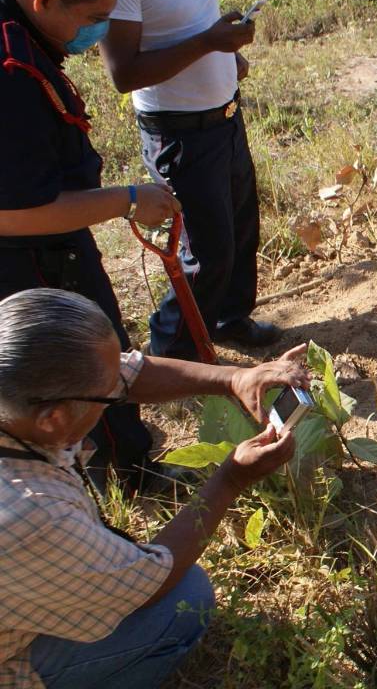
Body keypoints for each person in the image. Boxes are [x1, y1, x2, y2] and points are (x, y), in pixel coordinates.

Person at [0, 288, 305, 689]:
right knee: (184, 601)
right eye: (108, 396)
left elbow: (127, 373)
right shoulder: (32, 511)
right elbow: (149, 584)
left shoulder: (20, 391)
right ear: (53, 420)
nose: (118, 391)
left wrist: (236, 378)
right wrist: (231, 478)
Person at [0, 0, 182, 490]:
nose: (99, 34)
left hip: (48, 248)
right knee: (82, 365)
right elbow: (16, 211)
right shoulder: (9, 74)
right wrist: (127, 199)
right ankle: (118, 476)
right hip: (31, 260)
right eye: (92, 20)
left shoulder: (23, 29)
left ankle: (121, 460)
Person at [100, 0, 282, 360]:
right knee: (208, 250)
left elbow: (190, 24)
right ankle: (171, 354)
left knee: (240, 229)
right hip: (179, 132)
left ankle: (227, 319)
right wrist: (209, 43)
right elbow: (124, 72)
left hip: (223, 116)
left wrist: (228, 53)